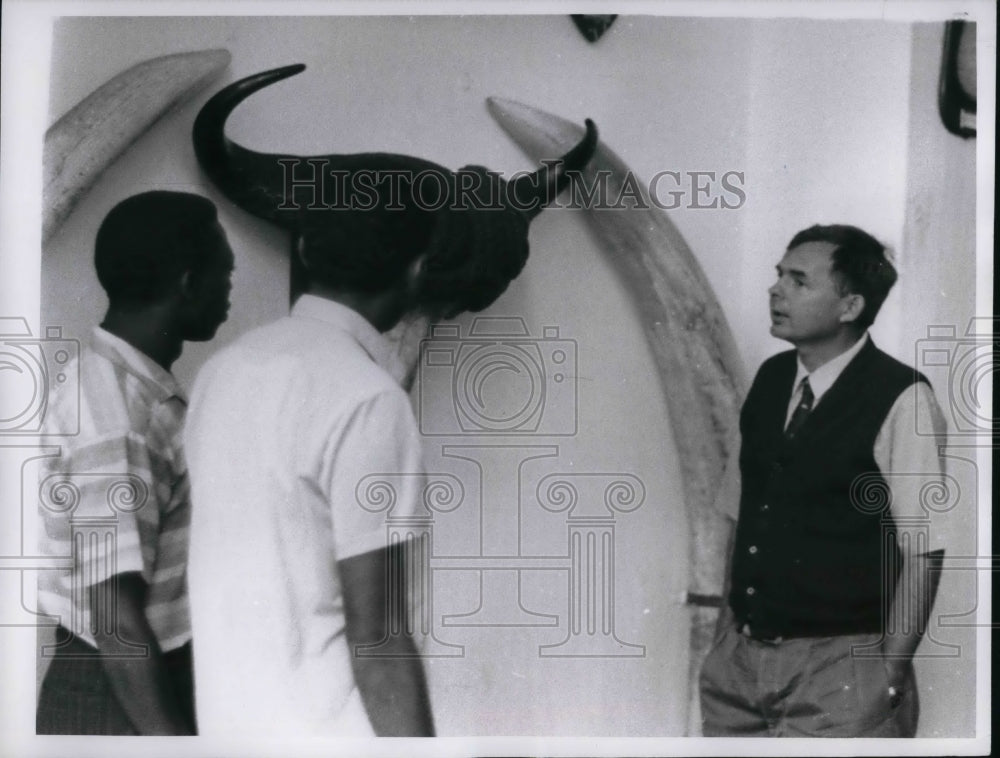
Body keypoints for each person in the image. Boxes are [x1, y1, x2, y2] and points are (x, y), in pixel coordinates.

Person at [183, 194, 440, 737]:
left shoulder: (222, 371)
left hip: (229, 729)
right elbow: (379, 639)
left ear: (305, 249)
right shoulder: (369, 397)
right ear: (418, 270)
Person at [699, 224, 948, 737]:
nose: (776, 290)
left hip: (843, 673)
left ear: (850, 307)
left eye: (799, 281)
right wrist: (726, 638)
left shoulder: (903, 396)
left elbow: (925, 552)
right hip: (739, 669)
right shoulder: (769, 380)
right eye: (778, 276)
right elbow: (741, 514)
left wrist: (890, 673)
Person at [36, 191, 235, 735]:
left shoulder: (128, 390)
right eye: (226, 273)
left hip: (133, 684)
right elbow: (117, 622)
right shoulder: (117, 415)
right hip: (122, 697)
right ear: (188, 283)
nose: (229, 290)